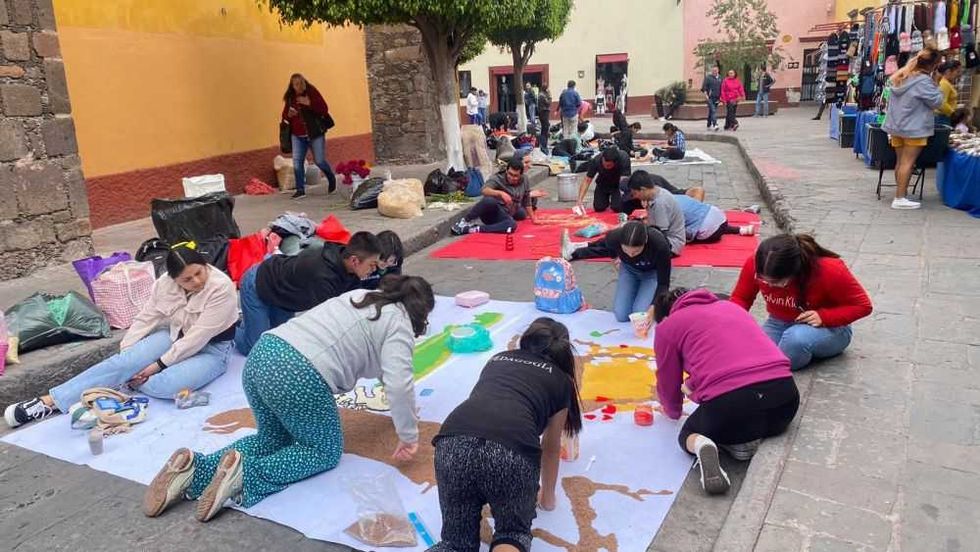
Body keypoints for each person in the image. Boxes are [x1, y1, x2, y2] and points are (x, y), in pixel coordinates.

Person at [143, 275, 435, 522]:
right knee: (323, 451)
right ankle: (246, 475)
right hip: (297, 373)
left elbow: (387, 369)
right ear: (419, 313)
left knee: (273, 439)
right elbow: (399, 383)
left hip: (263, 355)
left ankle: (195, 468)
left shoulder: (363, 296)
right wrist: (408, 435)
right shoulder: (399, 324)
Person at [5, 246, 238, 428]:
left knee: (165, 384)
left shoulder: (221, 288)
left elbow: (196, 339)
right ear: (174, 279)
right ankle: (50, 402)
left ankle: (113, 387)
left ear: (205, 265)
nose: (196, 281)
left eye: (199, 273)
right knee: (124, 362)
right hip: (176, 336)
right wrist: (128, 352)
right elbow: (146, 317)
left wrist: (155, 366)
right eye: (187, 280)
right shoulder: (164, 285)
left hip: (212, 349)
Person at [429, 318, 583, 552]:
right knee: (512, 533)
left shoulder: (497, 359)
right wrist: (547, 499)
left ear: (526, 340)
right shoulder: (561, 381)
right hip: (511, 450)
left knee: (455, 541)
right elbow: (550, 447)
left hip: (453, 440)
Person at [653, 288, 799, 494]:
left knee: (687, 434)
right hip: (785, 400)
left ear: (666, 315)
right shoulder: (731, 307)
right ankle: (742, 443)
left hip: (732, 406)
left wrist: (672, 410)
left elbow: (668, 377)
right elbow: (733, 358)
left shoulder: (668, 326)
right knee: (747, 415)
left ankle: (705, 444)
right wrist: (695, 386)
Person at [731, 234, 873, 371]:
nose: (767, 284)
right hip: (779, 322)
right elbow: (741, 298)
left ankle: (807, 349)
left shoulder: (829, 270)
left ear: (794, 271)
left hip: (830, 327)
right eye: (762, 279)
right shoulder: (754, 264)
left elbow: (863, 306)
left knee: (792, 344)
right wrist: (728, 324)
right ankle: (799, 351)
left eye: (775, 282)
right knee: (754, 357)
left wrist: (824, 317)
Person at [234, 232, 382, 356]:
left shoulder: (346, 262)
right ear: (354, 260)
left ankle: (248, 323)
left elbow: (353, 306)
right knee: (254, 348)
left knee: (279, 344)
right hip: (259, 283)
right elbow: (327, 324)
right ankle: (228, 328)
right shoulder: (323, 277)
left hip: (284, 296)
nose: (374, 270)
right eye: (372, 265)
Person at [561, 221, 672, 325]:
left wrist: (653, 308)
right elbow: (610, 248)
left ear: (645, 242)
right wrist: (615, 258)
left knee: (640, 314)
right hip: (629, 270)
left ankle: (645, 294)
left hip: (651, 274)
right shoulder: (613, 237)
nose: (630, 255)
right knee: (621, 315)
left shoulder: (660, 245)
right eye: (626, 250)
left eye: (636, 251)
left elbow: (664, 284)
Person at [882, 45, 943, 210]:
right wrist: (937, 83)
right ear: (933, 65)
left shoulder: (903, 75)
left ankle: (901, 194)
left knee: (900, 162)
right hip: (914, 127)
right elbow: (937, 102)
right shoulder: (924, 81)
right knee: (908, 163)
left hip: (897, 126)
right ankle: (900, 197)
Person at [281, 73, 337, 200]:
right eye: (295, 84)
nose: (298, 86)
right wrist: (289, 114)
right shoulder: (290, 97)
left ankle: (331, 178)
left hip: (314, 133)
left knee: (319, 161)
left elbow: (324, 109)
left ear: (304, 83)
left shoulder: (312, 92)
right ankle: (300, 190)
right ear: (292, 86)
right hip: (297, 135)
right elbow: (284, 116)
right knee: (297, 162)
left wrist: (309, 103)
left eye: (300, 83)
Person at [452, 157, 537, 235]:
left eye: (515, 176)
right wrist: (500, 193)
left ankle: (477, 228)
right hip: (494, 212)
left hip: (510, 210)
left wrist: (533, 218)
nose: (512, 178)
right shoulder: (498, 178)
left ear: (521, 175)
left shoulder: (525, 179)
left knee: (520, 215)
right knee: (490, 202)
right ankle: (466, 223)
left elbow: (527, 199)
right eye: (510, 174)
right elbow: (484, 190)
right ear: (506, 171)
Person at [624, 171, 686, 256]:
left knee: (630, 240)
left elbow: (659, 234)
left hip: (671, 244)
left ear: (643, 190)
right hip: (665, 237)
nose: (635, 197)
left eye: (635, 193)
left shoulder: (660, 203)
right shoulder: (658, 191)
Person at [674, 194, 755, 243]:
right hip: (720, 218)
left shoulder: (665, 206)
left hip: (710, 233)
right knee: (702, 219)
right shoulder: (676, 196)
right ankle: (740, 229)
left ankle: (737, 230)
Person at [575, 146, 631, 213]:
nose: (606, 166)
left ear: (615, 162)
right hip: (603, 183)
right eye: (604, 164)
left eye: (609, 165)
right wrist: (580, 200)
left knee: (618, 208)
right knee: (599, 208)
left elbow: (624, 181)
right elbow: (587, 180)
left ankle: (615, 202)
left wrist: (623, 198)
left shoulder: (623, 157)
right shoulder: (596, 160)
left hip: (617, 184)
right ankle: (607, 201)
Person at [934, 60, 962, 127]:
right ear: (948, 71)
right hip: (942, 117)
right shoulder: (944, 84)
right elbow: (942, 103)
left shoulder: (947, 83)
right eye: (957, 71)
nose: (958, 74)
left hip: (945, 116)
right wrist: (952, 113)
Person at [701, 65, 723, 131]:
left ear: (718, 70)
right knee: (713, 110)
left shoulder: (720, 78)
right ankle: (715, 124)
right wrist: (706, 95)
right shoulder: (708, 78)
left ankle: (709, 123)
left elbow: (722, 88)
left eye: (715, 70)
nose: (714, 72)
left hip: (717, 98)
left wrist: (721, 97)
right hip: (710, 97)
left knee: (711, 111)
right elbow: (704, 87)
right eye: (713, 70)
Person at [537, 84, 552, 154]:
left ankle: (543, 144)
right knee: (545, 129)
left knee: (544, 129)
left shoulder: (540, 94)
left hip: (542, 113)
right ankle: (544, 145)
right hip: (544, 112)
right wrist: (550, 96)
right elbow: (548, 103)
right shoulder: (543, 95)